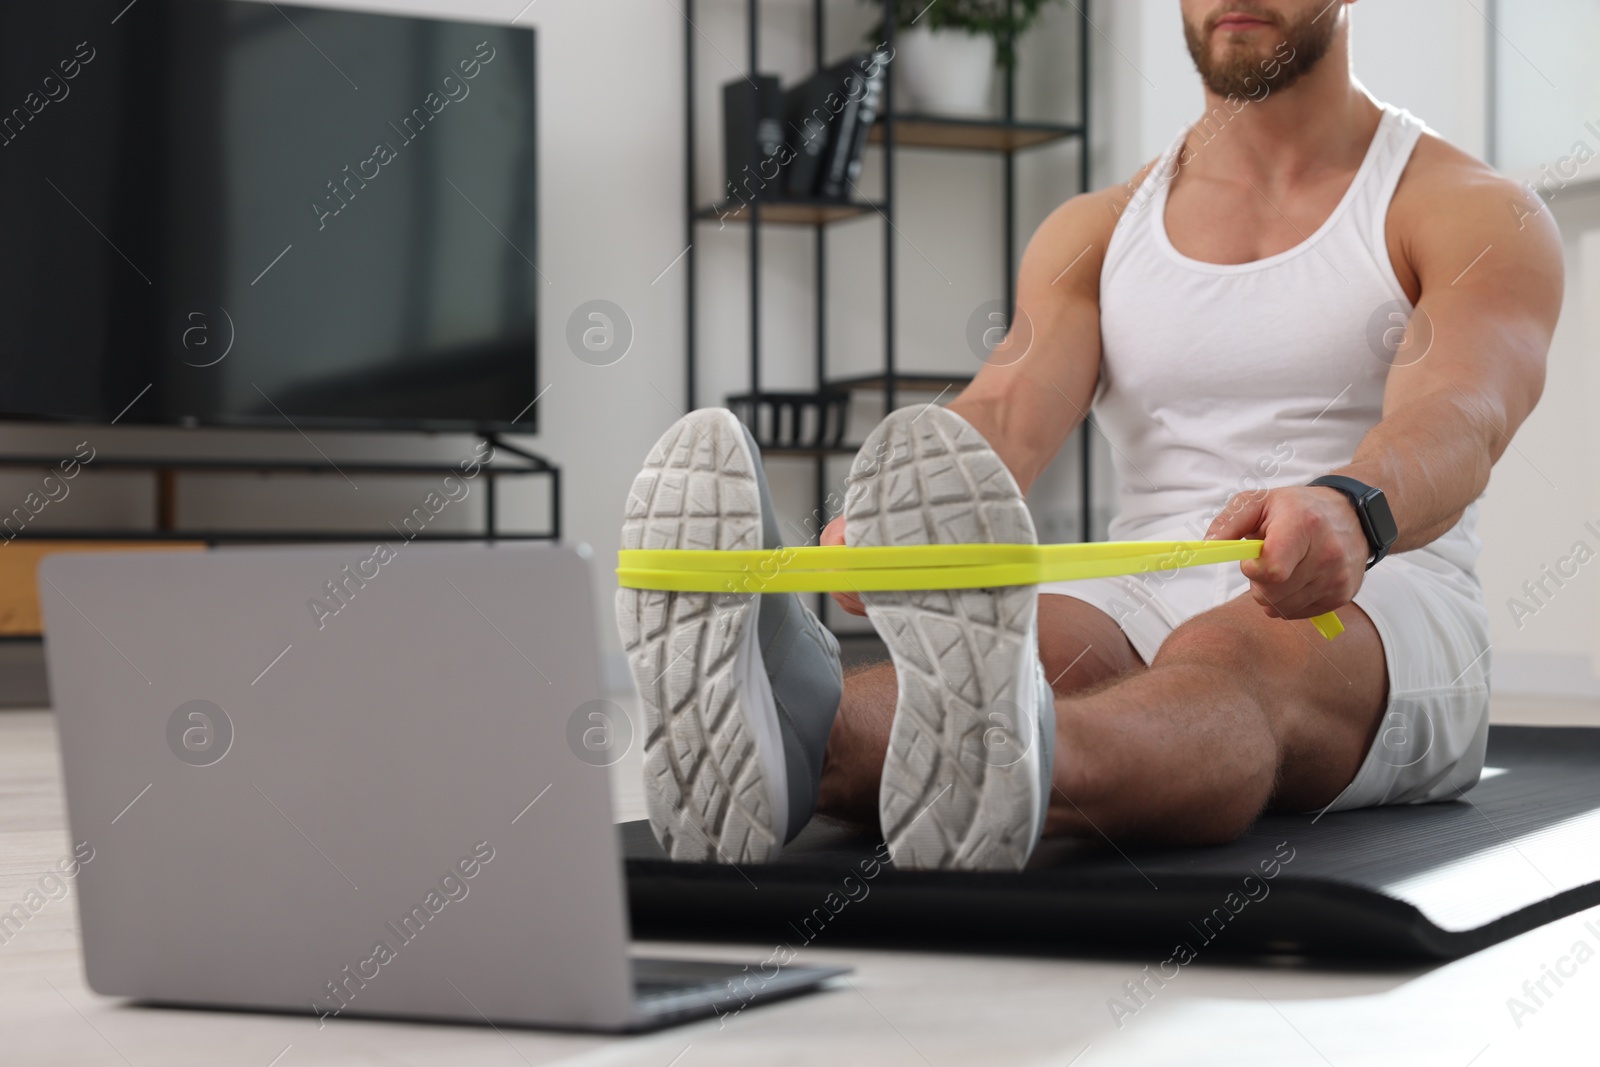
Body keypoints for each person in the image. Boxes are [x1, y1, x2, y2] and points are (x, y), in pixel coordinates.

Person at [617, 0, 1563, 871]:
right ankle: (796, 731)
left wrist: (1352, 507)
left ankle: (1013, 757)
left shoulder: (1469, 207)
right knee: (1038, 644)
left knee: (1231, 658)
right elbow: (1007, 407)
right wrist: (884, 523)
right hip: (1139, 578)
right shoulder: (1100, 227)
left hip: (1374, 590)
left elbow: (1461, 416)